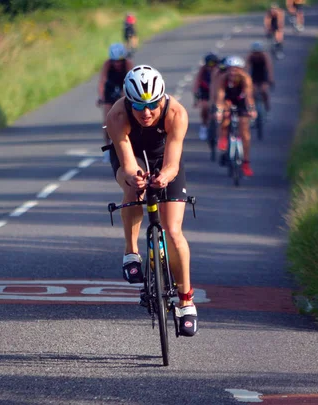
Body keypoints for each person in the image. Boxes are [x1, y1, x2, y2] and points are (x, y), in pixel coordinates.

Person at [104, 65, 197, 337]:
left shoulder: (177, 113)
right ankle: (131, 252)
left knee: (173, 230)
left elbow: (172, 163)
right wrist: (137, 178)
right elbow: (127, 161)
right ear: (128, 102)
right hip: (130, 157)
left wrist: (164, 177)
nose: (146, 113)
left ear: (162, 99)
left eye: (153, 105)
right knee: (132, 188)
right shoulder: (117, 115)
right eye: (138, 106)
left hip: (164, 158)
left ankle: (186, 303)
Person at [214, 56, 257, 177]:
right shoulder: (223, 78)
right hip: (228, 100)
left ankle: (246, 162)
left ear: (240, 69)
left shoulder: (245, 79)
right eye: (230, 69)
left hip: (241, 101)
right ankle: (223, 139)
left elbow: (248, 96)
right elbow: (220, 95)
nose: (233, 72)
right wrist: (219, 110)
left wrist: (252, 109)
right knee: (225, 115)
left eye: (236, 69)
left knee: (244, 131)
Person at [97, 43, 133, 163]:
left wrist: (126, 95)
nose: (117, 64)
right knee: (107, 122)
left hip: (124, 89)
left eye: (120, 61)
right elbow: (102, 81)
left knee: (128, 119)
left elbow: (131, 81)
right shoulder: (107, 65)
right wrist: (101, 97)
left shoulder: (128, 64)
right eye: (114, 61)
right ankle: (107, 150)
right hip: (110, 91)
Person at [193, 53, 219, 141]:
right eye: (210, 64)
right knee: (204, 108)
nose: (212, 67)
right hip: (205, 92)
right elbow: (196, 84)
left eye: (215, 64)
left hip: (217, 92)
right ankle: (204, 127)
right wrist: (196, 99)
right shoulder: (203, 70)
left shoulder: (220, 71)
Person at [246, 42, 274, 113]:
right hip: (254, 76)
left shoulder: (264, 56)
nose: (256, 54)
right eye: (255, 52)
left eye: (258, 52)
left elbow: (269, 68)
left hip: (263, 76)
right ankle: (253, 107)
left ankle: (266, 105)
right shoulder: (250, 57)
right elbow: (246, 68)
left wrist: (270, 78)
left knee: (264, 90)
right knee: (253, 91)